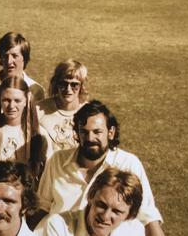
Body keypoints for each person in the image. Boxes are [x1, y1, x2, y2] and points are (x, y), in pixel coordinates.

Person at [34, 100, 164, 236]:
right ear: (77, 134)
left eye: (97, 132)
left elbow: (149, 217)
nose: (90, 138)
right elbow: (41, 208)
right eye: (84, 132)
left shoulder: (128, 163)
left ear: (111, 132)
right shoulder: (57, 160)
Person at [36, 168, 143, 236]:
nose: (105, 216)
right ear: (91, 197)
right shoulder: (59, 225)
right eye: (101, 205)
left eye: (116, 211)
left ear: (129, 216)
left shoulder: (134, 231)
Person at [37, 59, 88, 160]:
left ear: (82, 86)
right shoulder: (38, 110)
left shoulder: (89, 113)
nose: (68, 89)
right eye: (63, 84)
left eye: (74, 85)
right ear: (56, 84)